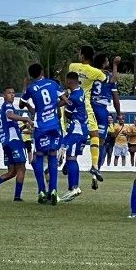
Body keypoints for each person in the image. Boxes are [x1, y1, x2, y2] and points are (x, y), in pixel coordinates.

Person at [21, 63, 63, 205]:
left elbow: (21, 104)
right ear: (43, 71)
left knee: (38, 157)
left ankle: (41, 190)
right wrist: (52, 107)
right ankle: (53, 189)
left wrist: (25, 89)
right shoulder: (52, 83)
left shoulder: (31, 88)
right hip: (55, 126)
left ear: (31, 75)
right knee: (52, 156)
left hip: (41, 127)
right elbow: (65, 100)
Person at [0, 86, 34, 202]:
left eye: (13, 93)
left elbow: (12, 126)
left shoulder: (7, 107)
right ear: (4, 95)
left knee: (12, 172)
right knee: (22, 168)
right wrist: (26, 119)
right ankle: (17, 197)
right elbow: (10, 115)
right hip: (13, 142)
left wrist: (23, 127)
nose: (12, 95)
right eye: (9, 93)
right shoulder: (7, 106)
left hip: (6, 143)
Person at [68, 46, 107, 183]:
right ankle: (95, 166)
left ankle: (66, 160)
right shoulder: (95, 72)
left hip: (70, 103)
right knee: (94, 135)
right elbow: (105, 79)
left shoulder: (72, 66)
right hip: (85, 106)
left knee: (71, 133)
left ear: (82, 56)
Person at [89, 53, 122, 188]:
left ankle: (68, 160)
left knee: (81, 136)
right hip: (101, 109)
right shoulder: (108, 76)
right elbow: (115, 99)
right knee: (101, 142)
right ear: (104, 64)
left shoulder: (90, 74)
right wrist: (119, 114)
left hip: (88, 107)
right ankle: (96, 170)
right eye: (107, 61)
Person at [59, 72, 90, 202]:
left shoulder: (75, 97)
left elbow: (67, 113)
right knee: (72, 157)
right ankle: (73, 187)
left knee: (69, 156)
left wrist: (61, 101)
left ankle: (74, 188)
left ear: (69, 82)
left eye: (66, 81)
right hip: (82, 129)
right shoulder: (80, 91)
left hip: (76, 130)